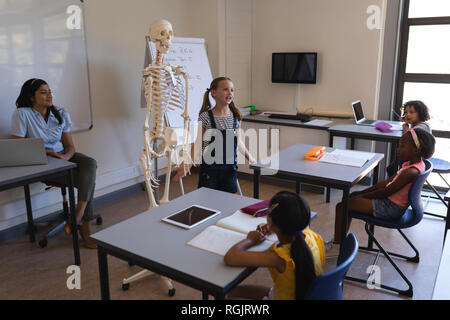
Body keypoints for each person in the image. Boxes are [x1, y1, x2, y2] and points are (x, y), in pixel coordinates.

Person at [11, 78, 98, 249]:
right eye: (43, 92)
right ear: (31, 97)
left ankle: (76, 217)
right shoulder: (22, 114)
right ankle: (85, 227)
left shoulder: (60, 112)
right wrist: (48, 153)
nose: (49, 96)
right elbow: (18, 148)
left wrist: (66, 157)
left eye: (50, 91)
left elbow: (70, 147)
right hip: (42, 160)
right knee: (87, 180)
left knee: (90, 163)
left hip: (62, 156)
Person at [334, 128, 435, 244]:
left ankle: (337, 245)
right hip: (389, 203)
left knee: (342, 206)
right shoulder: (412, 165)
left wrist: (363, 195)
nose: (398, 149)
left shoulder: (411, 172)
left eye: (402, 146)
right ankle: (341, 239)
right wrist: (361, 193)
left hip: (390, 208)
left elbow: (386, 191)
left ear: (417, 150)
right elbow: (386, 183)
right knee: (351, 198)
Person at [224, 191, 325, 300]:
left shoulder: (278, 257)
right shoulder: (312, 236)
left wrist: (251, 240)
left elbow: (231, 257)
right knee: (235, 292)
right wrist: (273, 227)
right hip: (307, 295)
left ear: (270, 222)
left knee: (231, 296)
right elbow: (292, 224)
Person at [173, 76, 255, 193]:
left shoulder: (235, 116)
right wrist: (187, 165)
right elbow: (198, 143)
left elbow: (239, 142)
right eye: (225, 89)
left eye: (232, 90)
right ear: (213, 93)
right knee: (208, 200)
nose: (230, 92)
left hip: (230, 170)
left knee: (228, 200)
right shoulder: (205, 116)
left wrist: (252, 159)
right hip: (210, 171)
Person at [387, 100, 432, 177]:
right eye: (406, 112)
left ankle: (394, 183)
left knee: (392, 168)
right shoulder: (417, 124)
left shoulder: (423, 126)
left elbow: (407, 138)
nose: (407, 115)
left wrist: (405, 129)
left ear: (420, 113)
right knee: (391, 167)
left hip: (416, 157)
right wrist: (407, 122)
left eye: (411, 112)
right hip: (412, 156)